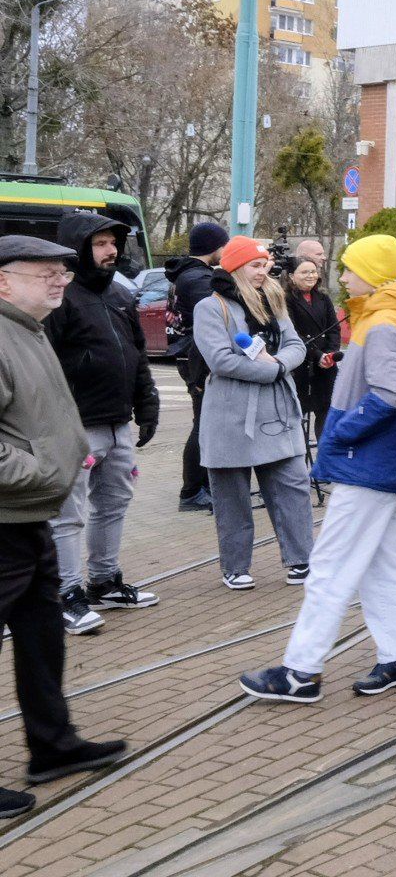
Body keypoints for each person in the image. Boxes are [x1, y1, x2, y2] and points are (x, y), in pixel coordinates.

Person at [239, 234, 396, 703]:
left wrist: (342, 432)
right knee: (380, 562)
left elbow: (391, 392)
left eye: (351, 268)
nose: (343, 275)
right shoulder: (389, 313)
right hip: (379, 459)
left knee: (330, 566)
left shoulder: (384, 320)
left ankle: (301, 670)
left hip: (368, 460)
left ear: (372, 273)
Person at [0, 234, 133, 819]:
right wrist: (42, 471)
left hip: (30, 517)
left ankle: (52, 746)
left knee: (42, 638)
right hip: (6, 518)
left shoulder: (29, 329)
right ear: (3, 280)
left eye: (63, 271)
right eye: (45, 272)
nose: (60, 280)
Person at [43, 212, 163, 635]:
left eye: (113, 242)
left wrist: (147, 404)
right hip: (75, 424)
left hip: (116, 422)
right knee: (68, 513)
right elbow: (44, 363)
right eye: (100, 243)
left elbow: (137, 354)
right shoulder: (59, 299)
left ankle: (104, 580)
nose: (111, 250)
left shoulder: (120, 295)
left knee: (114, 502)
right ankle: (66, 593)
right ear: (78, 248)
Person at [194, 236, 312, 591]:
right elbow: (220, 360)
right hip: (230, 414)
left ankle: (301, 559)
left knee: (292, 486)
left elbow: (296, 345)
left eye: (265, 265)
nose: (263, 272)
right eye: (255, 266)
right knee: (231, 495)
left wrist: (279, 365)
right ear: (235, 267)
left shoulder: (274, 301)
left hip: (277, 410)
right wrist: (271, 371)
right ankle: (235, 567)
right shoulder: (211, 307)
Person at [164, 221, 226, 511]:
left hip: (191, 355)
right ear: (214, 247)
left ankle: (202, 486)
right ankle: (191, 492)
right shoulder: (197, 279)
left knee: (204, 424)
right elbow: (217, 314)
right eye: (224, 245)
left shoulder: (190, 274)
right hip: (196, 359)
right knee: (203, 425)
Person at [285, 259, 341, 451]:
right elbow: (292, 333)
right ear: (292, 276)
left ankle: (325, 457)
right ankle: (299, 457)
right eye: (304, 272)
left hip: (326, 366)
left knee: (326, 411)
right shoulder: (286, 299)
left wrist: (330, 354)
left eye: (313, 271)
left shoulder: (323, 298)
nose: (310, 276)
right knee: (298, 412)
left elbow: (334, 328)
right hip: (301, 364)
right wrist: (317, 355)